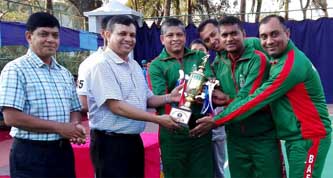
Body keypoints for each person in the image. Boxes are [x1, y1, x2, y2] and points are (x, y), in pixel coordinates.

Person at [192, 15, 332, 178]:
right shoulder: (222, 62)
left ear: (288, 34)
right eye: (264, 36)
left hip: (309, 135)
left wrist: (216, 120)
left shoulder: (288, 65)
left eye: (274, 34)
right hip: (292, 135)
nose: (269, 41)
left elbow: (256, 99)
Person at [86, 15, 182, 178]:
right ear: (107, 35)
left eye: (132, 35)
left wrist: (169, 97)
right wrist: (158, 119)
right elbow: (116, 107)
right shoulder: (101, 65)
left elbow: (147, 99)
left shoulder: (134, 65)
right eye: (122, 34)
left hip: (133, 141)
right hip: (110, 144)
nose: (128, 39)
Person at [0, 12, 86, 178]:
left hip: (62, 152)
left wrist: (75, 127)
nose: (51, 40)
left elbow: (75, 109)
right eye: (43, 34)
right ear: (29, 36)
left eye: (55, 35)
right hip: (31, 154)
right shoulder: (15, 70)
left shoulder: (64, 73)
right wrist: (60, 127)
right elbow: (11, 118)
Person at [197, 16, 283, 178]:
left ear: (243, 34)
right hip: (235, 138)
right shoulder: (216, 66)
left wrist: (220, 113)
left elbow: (249, 100)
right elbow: (215, 99)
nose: (214, 41)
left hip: (262, 135)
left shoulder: (257, 55)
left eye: (215, 35)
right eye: (208, 40)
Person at [148, 18, 214, 178]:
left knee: (203, 174)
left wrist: (195, 93)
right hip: (173, 132)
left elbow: (209, 80)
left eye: (179, 34)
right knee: (175, 174)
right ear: (162, 39)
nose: (175, 38)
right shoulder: (157, 65)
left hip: (200, 129)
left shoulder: (200, 56)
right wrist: (177, 96)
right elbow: (160, 96)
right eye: (170, 35)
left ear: (185, 37)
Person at [190, 39, 226, 178]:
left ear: (207, 53)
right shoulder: (190, 76)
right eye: (194, 51)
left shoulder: (216, 72)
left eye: (201, 51)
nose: (198, 54)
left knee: (218, 169)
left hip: (216, 131)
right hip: (198, 131)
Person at [77, 16, 112, 113]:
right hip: (105, 125)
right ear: (104, 34)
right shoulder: (90, 64)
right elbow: (83, 103)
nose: (126, 38)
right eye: (120, 33)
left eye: (131, 34)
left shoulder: (132, 65)